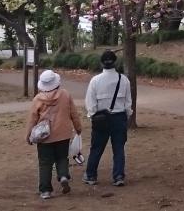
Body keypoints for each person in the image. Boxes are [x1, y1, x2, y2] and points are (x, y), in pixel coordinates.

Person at [25, 69, 82, 200]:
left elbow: (32, 119)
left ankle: (45, 191)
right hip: (63, 134)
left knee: (45, 163)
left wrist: (28, 135)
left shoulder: (37, 99)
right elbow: (74, 114)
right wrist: (78, 128)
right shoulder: (65, 95)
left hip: (44, 137)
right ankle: (63, 176)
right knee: (62, 157)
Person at [84, 49, 132, 186]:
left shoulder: (95, 81)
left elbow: (90, 102)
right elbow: (128, 102)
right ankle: (118, 176)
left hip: (101, 118)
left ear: (101, 63)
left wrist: (92, 115)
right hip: (119, 117)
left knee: (96, 148)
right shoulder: (124, 80)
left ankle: (91, 175)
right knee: (119, 148)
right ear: (115, 62)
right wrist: (126, 115)